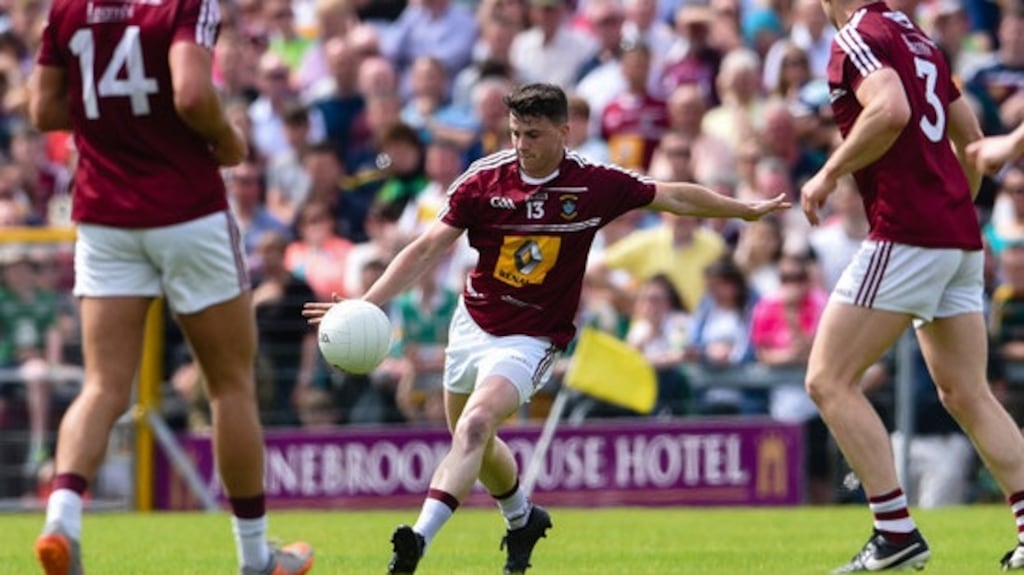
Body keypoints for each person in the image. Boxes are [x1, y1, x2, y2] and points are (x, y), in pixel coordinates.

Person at [303, 82, 787, 575]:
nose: (521, 145)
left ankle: (417, 542)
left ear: (564, 132)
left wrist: (742, 210)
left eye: (532, 134)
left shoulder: (595, 183)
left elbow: (674, 198)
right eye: (514, 133)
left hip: (530, 340)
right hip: (472, 324)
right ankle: (522, 519)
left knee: (473, 427)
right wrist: (366, 304)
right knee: (473, 442)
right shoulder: (484, 181)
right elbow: (426, 248)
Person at [28, 2, 313, 574]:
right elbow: (189, 92)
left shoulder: (68, 8)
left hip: (105, 217)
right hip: (187, 212)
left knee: (103, 385)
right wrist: (228, 140)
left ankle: (62, 517)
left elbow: (43, 109)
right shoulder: (184, 3)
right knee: (230, 384)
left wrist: (116, 129)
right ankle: (257, 557)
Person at [799, 0, 1024, 571]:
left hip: (906, 231)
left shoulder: (859, 34)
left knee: (829, 379)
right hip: (956, 235)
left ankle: (895, 533)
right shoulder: (916, 35)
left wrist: (828, 172)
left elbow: (891, 109)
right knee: (967, 393)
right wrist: (954, 206)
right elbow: (970, 140)